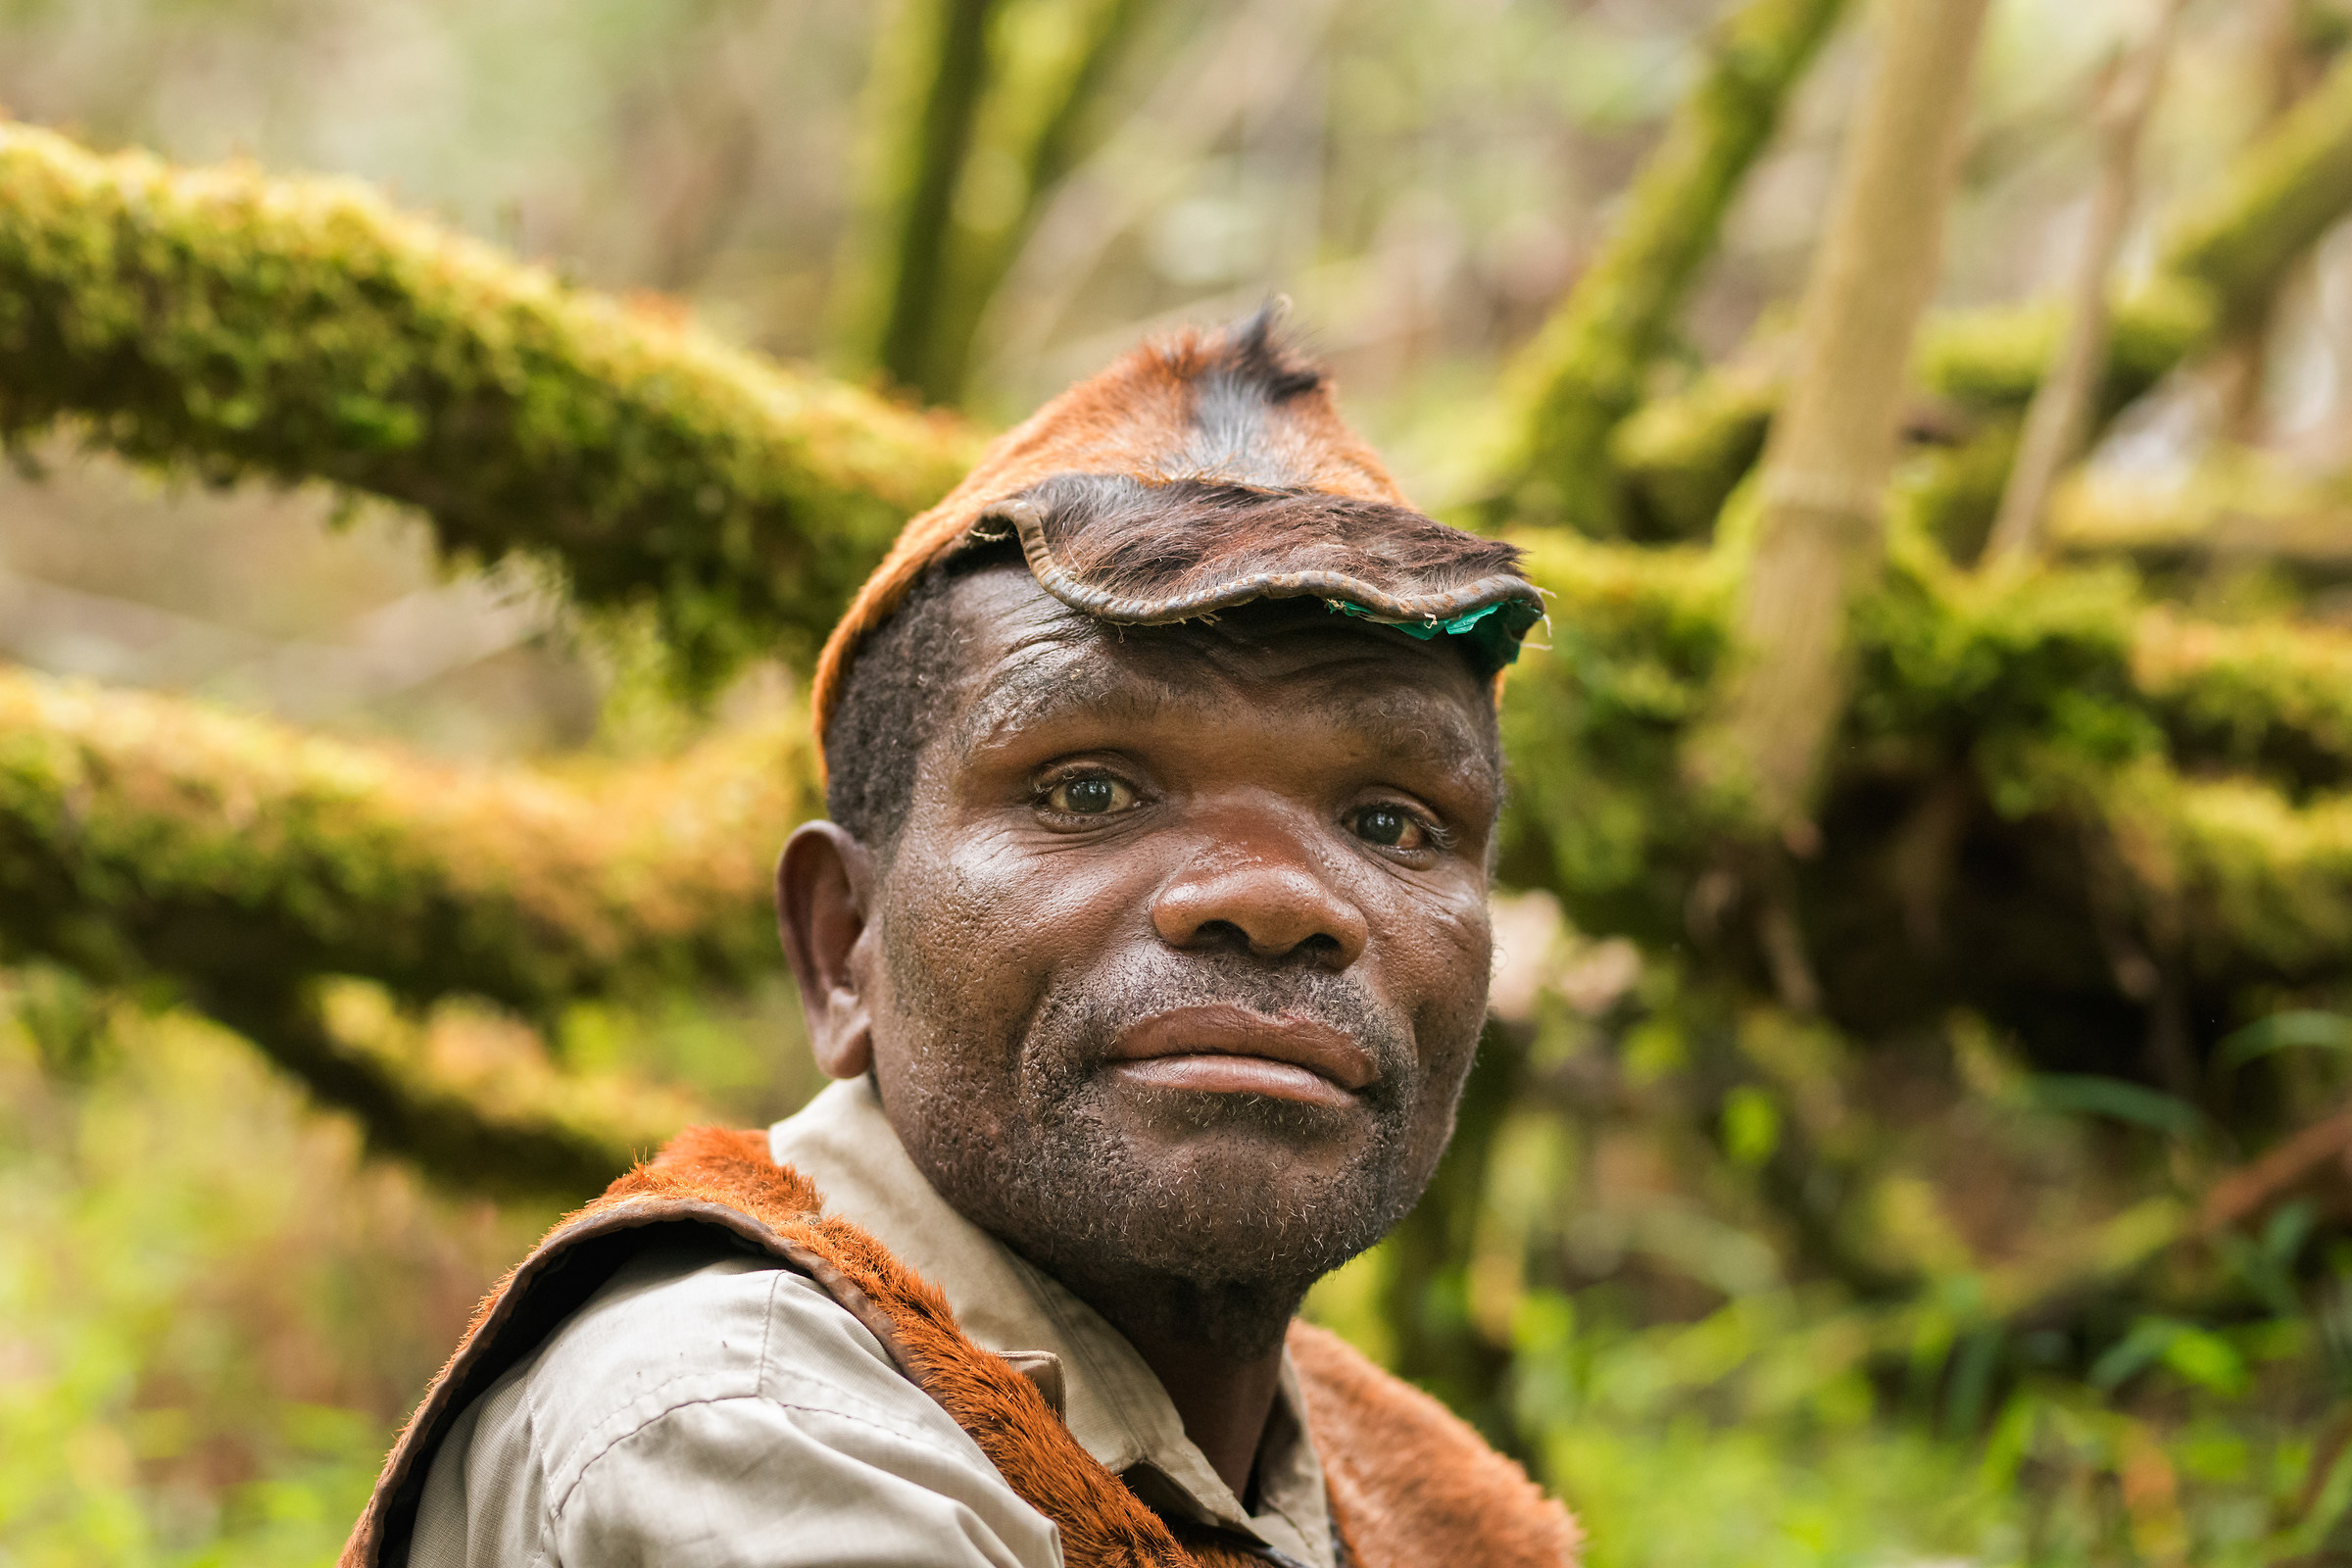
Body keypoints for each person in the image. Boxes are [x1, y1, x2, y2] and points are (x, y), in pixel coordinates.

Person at [342, 311, 1577, 1568]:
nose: (1274, 896)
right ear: (844, 943)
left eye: (1393, 820)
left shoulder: (1402, 1495)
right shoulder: (741, 1425)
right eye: (1088, 789)